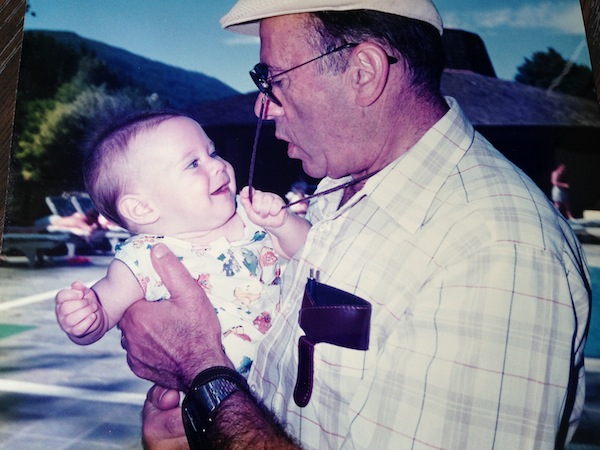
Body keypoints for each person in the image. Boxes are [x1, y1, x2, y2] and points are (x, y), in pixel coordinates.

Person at [117, 2, 592, 449]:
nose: (263, 107)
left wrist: (203, 374)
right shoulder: (341, 188)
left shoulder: (497, 251)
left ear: (362, 74)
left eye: (273, 79)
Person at [55, 110, 311, 377]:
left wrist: (282, 223)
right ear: (142, 208)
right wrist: (86, 319)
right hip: (223, 393)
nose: (217, 165)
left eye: (212, 153)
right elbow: (104, 312)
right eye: (193, 164)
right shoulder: (142, 259)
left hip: (293, 371)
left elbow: (308, 249)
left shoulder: (250, 215)